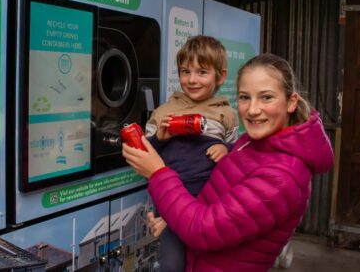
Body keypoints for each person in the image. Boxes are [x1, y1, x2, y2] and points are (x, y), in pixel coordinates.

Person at [123, 53, 334, 271]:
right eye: (244, 97)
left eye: (266, 97)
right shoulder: (253, 142)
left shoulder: (281, 177)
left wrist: (158, 172)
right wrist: (174, 218)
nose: (252, 110)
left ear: (291, 102)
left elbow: (203, 231)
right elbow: (218, 206)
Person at [144, 35, 239, 272]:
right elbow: (143, 156)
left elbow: (238, 159)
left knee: (208, 262)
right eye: (185, 71)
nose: (192, 79)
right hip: (171, 204)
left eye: (202, 72)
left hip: (210, 204)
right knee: (172, 265)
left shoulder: (226, 114)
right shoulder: (163, 112)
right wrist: (159, 138)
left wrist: (226, 149)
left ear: (221, 76)